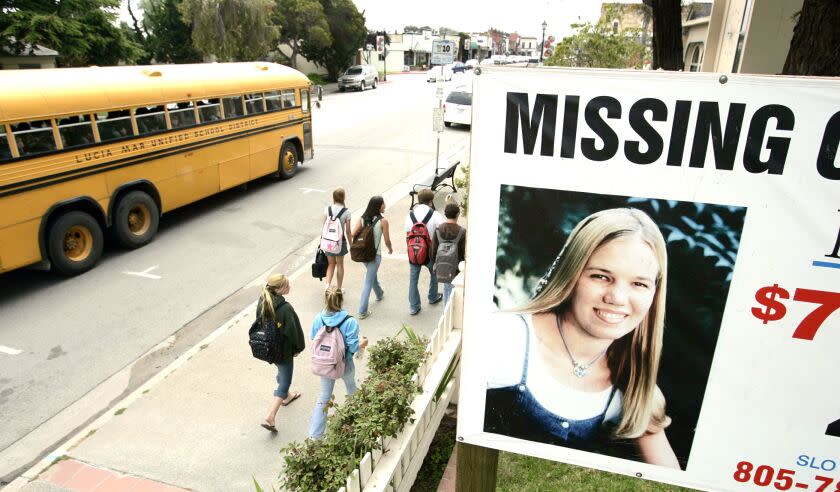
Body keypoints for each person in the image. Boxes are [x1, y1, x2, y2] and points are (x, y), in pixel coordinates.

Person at [483, 208, 680, 468]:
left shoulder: (633, 386)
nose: (617, 298)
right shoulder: (504, 337)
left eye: (639, 284)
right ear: (572, 274)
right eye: (601, 276)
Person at [308, 287, 369, 439]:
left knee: (324, 397)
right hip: (345, 363)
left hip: (325, 364)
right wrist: (362, 342)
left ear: (325, 300)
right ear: (341, 300)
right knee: (351, 388)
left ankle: (315, 436)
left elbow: (313, 338)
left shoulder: (318, 319)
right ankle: (358, 425)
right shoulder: (349, 321)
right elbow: (354, 347)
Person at [256, 274, 306, 432]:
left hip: (268, 348)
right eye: (286, 286)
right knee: (285, 381)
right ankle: (270, 416)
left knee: (281, 371)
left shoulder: (263, 300)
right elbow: (293, 331)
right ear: (278, 290)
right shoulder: (285, 309)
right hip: (283, 351)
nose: (289, 287)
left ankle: (288, 396)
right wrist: (298, 348)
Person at [404, 189, 446, 315]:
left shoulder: (410, 215)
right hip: (430, 252)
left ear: (418, 200)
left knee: (413, 279)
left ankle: (414, 306)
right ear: (431, 201)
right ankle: (432, 297)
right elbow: (444, 228)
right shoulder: (434, 214)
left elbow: (407, 233)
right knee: (434, 274)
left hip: (414, 251)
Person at [351, 196, 393, 319]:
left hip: (363, 254)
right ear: (378, 206)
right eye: (383, 204)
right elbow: (387, 240)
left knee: (371, 275)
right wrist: (390, 249)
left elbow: (353, 233)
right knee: (368, 281)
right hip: (375, 256)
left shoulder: (362, 219)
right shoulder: (383, 221)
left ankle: (379, 294)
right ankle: (362, 311)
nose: (384, 206)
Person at [430, 201, 466, 307]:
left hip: (443, 266)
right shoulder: (462, 231)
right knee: (456, 293)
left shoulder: (438, 229)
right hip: (457, 268)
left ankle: (446, 313)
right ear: (458, 214)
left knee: (447, 289)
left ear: (445, 214)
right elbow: (464, 252)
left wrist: (437, 262)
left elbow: (433, 251)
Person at [323, 187, 352, 291]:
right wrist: (351, 244)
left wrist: (322, 241)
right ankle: (339, 289)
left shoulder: (327, 209)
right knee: (340, 264)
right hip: (340, 241)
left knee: (331, 264)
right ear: (343, 197)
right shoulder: (347, 212)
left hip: (328, 241)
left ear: (333, 197)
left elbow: (324, 227)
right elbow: (348, 231)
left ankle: (327, 286)